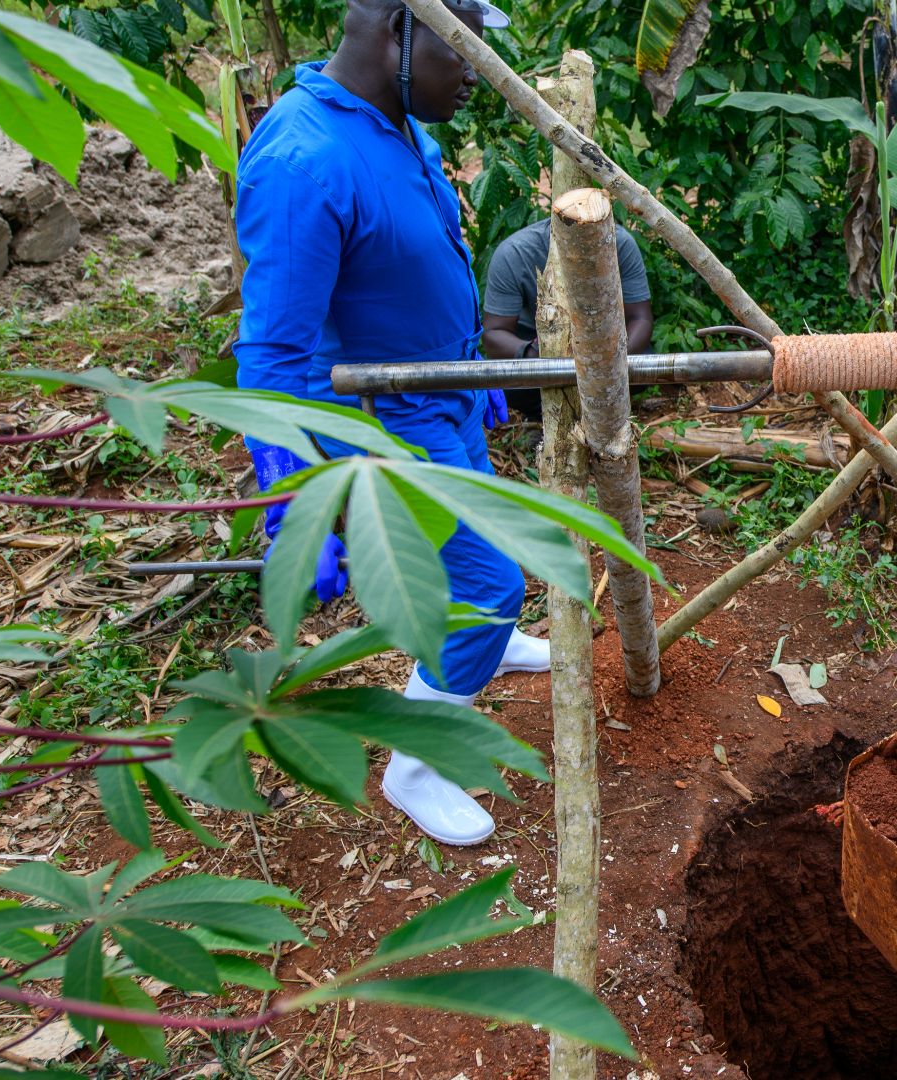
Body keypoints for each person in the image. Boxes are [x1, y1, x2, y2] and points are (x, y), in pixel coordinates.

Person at [233, 0, 548, 847]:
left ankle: (485, 641)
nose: (476, 72)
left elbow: (421, 257)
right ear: (393, 33)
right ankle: (418, 765)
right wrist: (294, 498)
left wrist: (469, 366)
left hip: (440, 395)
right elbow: (272, 354)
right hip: (383, 423)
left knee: (477, 556)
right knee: (488, 580)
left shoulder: (402, 124)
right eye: (463, 49)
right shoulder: (304, 158)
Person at [480, 217, 654, 420]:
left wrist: (608, 364)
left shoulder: (618, 243)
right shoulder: (515, 253)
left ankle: (605, 414)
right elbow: (493, 333)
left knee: (642, 361)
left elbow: (640, 319)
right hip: (538, 349)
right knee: (510, 380)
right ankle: (545, 418)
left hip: (602, 344)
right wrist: (536, 355)